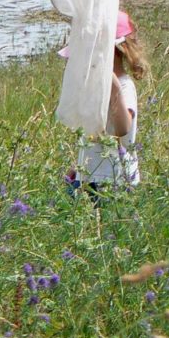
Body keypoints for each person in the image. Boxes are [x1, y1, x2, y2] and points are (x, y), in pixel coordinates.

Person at [65, 11, 147, 199]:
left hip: (115, 180)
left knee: (109, 228)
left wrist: (113, 86)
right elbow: (93, 134)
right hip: (86, 177)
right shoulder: (94, 87)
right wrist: (76, 167)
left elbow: (123, 129)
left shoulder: (124, 86)